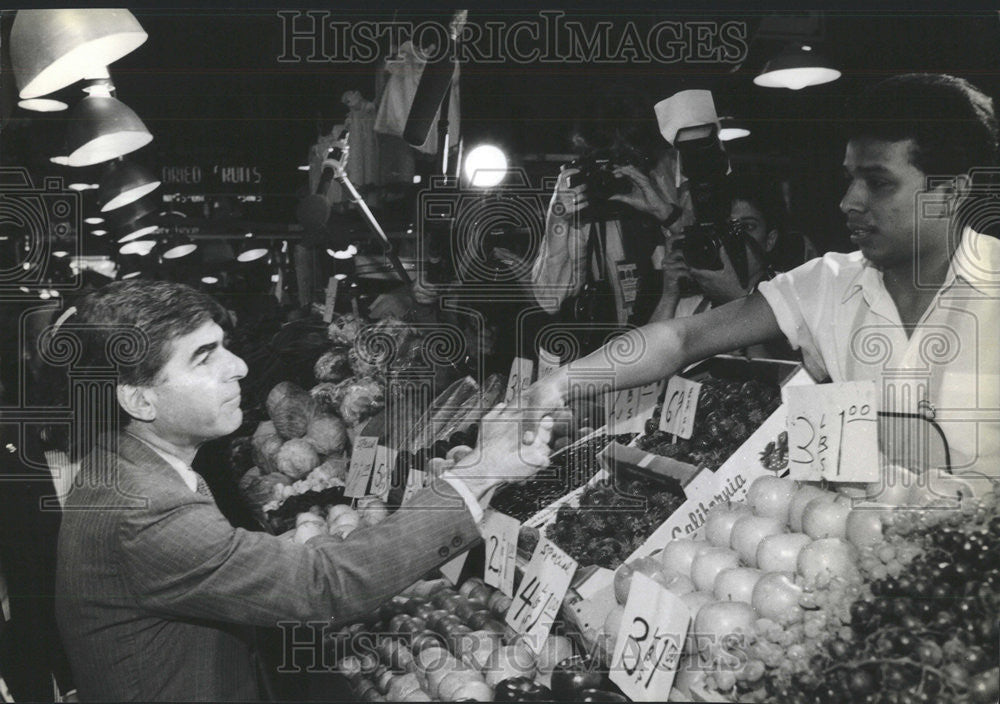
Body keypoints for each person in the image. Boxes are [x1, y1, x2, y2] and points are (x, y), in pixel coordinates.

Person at [54, 279, 553, 701]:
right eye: (204, 357)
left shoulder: (130, 470)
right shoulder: (145, 510)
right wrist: (479, 475)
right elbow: (320, 586)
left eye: (224, 347)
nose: (239, 367)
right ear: (140, 399)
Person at [526, 73, 1000, 488]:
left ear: (951, 191)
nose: (848, 202)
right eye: (849, 178)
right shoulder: (828, 283)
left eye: (877, 182)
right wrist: (562, 383)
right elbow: (682, 338)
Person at [530, 97, 690, 349]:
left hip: (674, 344)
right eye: (605, 159)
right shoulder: (585, 202)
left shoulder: (668, 182)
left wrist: (665, 214)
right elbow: (550, 298)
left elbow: (717, 276)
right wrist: (558, 217)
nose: (613, 172)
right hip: (609, 353)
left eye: (625, 159)